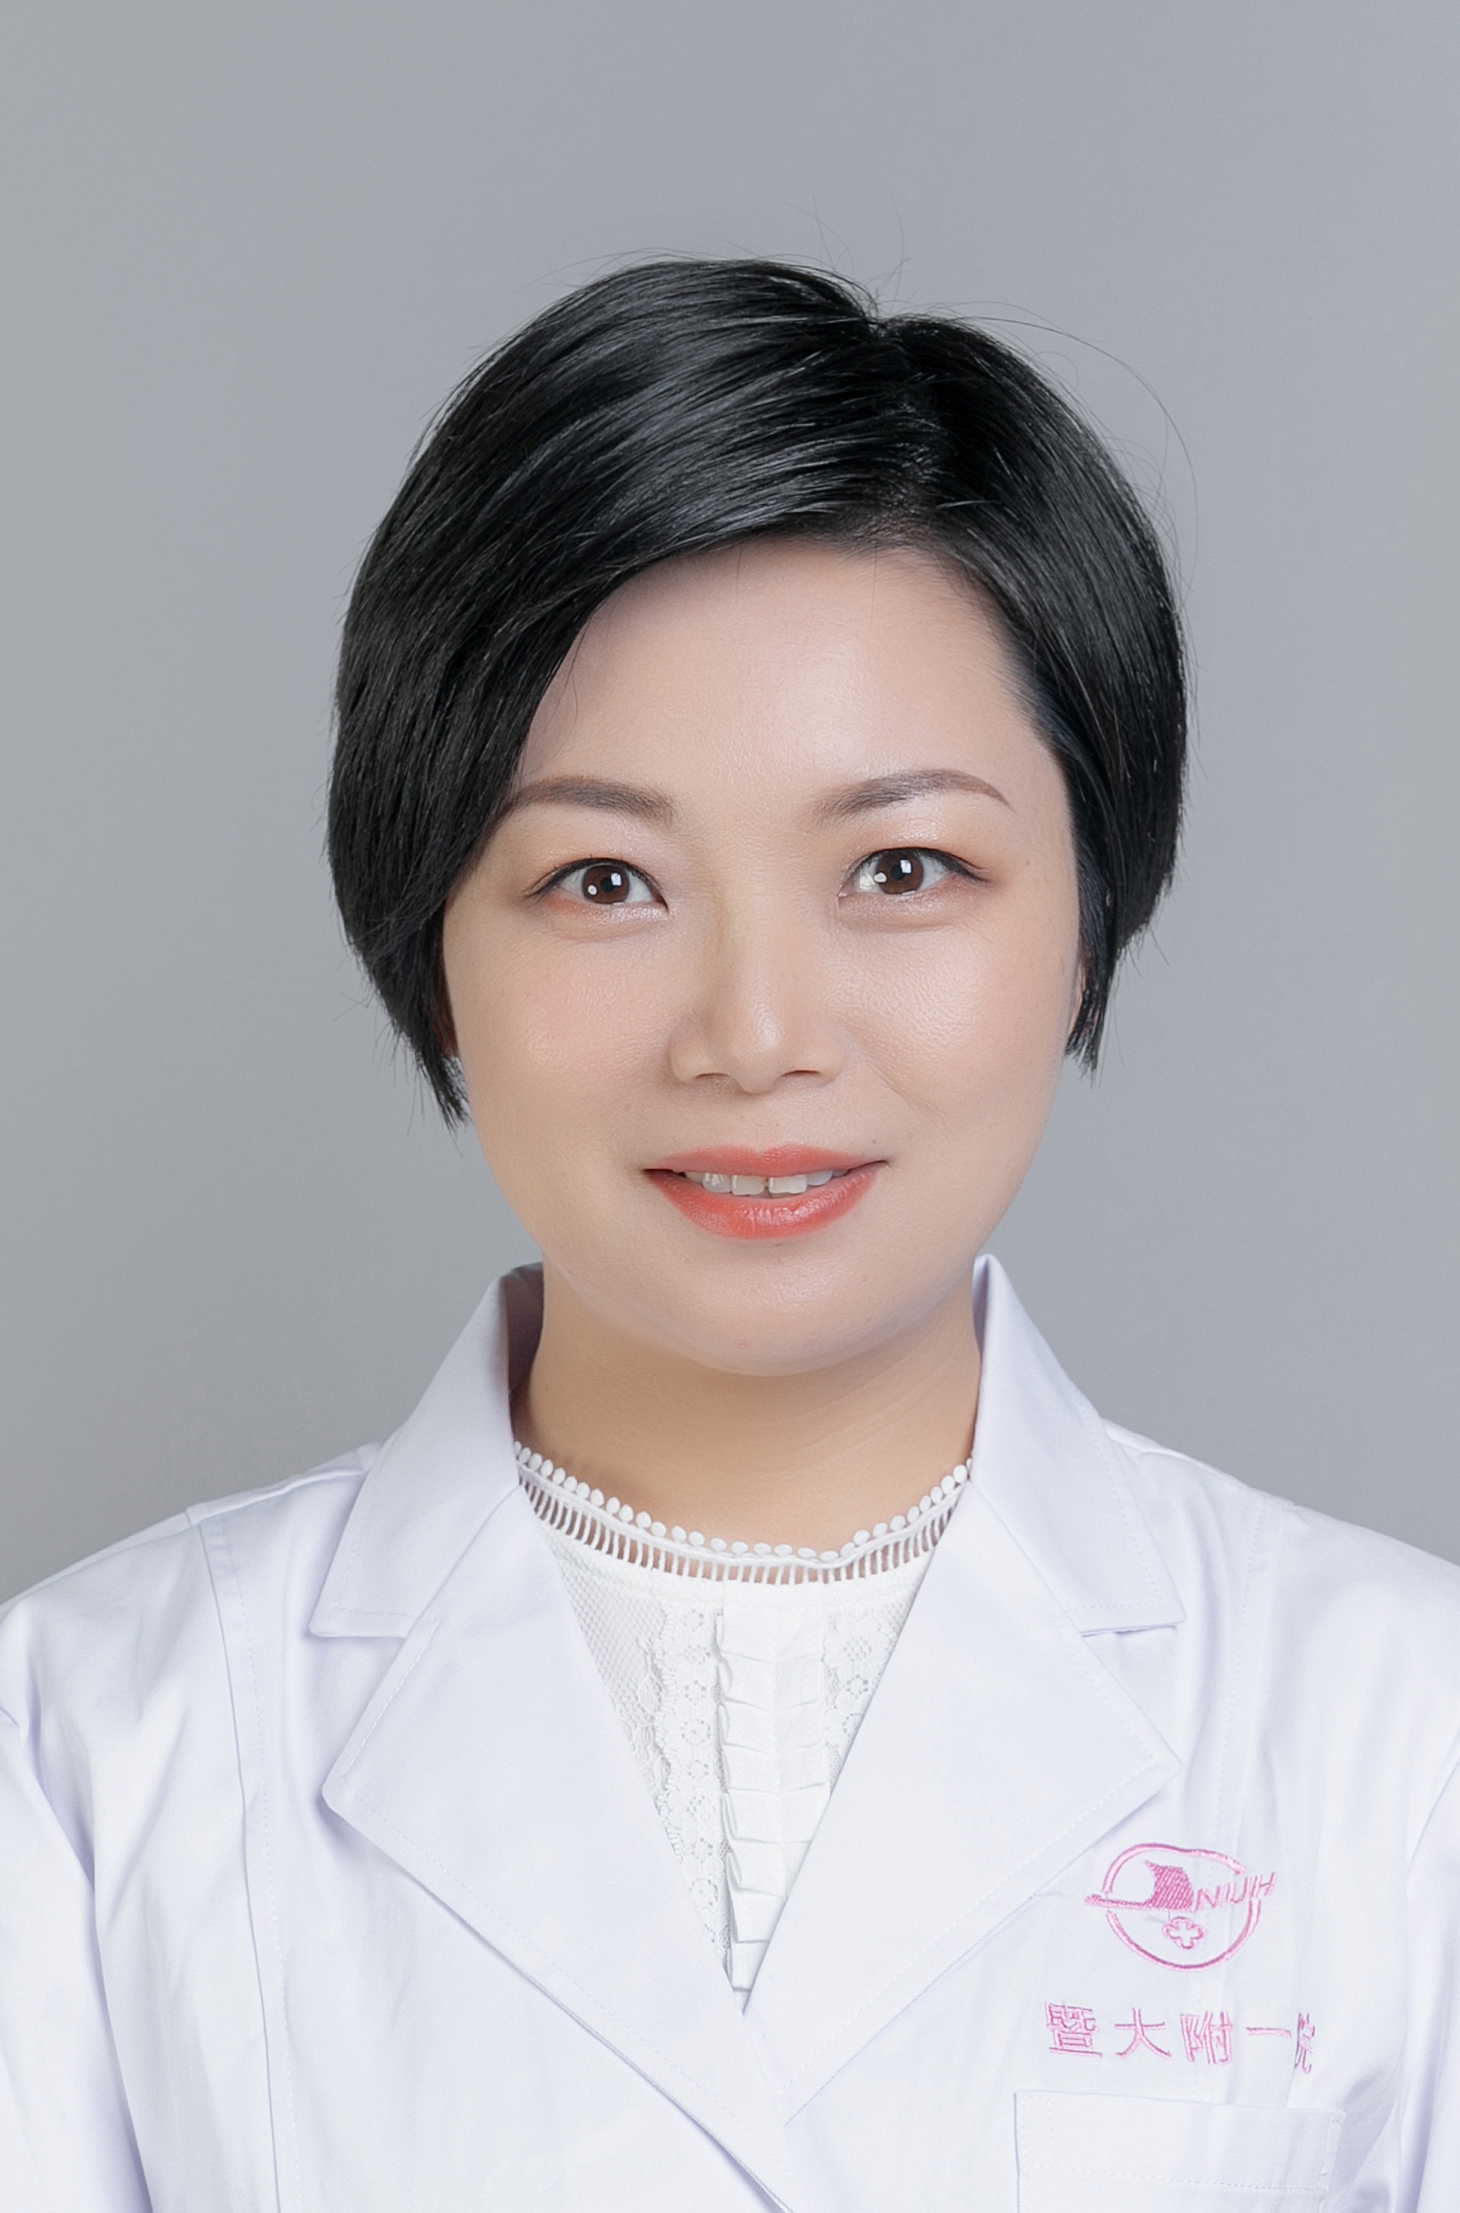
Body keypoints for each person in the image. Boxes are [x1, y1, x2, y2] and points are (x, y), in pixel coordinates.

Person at [1, 259, 1455, 2213]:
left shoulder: (1397, 1739)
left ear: (1091, 911)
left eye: (902, 866)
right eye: (605, 879)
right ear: (429, 938)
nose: (756, 1034)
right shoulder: (81, 1747)